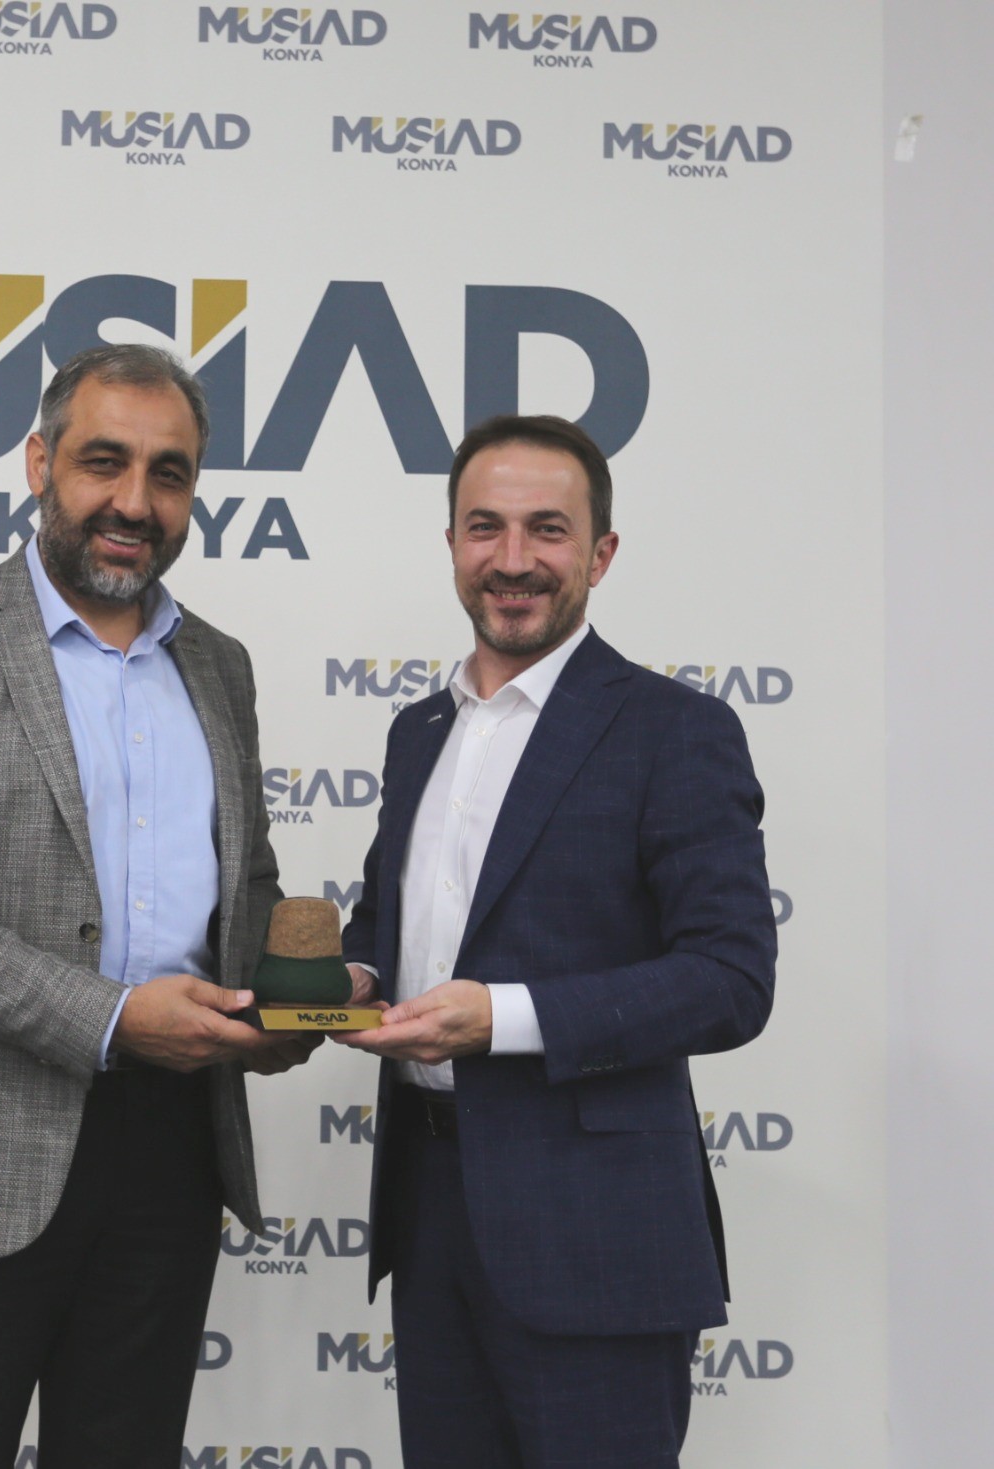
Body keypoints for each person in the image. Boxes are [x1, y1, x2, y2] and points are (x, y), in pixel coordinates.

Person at [0, 345, 306, 1469]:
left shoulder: (221, 666)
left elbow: (245, 885)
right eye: (105, 461)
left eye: (169, 473)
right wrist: (111, 1015)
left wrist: (295, 1000)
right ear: (40, 462)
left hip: (175, 1147)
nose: (135, 501)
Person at [336, 414, 776, 1469]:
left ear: (600, 552)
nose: (513, 558)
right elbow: (390, 920)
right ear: (452, 542)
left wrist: (500, 1018)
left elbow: (730, 978)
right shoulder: (417, 731)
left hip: (599, 1234)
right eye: (485, 527)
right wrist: (348, 977)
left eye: (547, 528)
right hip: (430, 1215)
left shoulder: (674, 729)